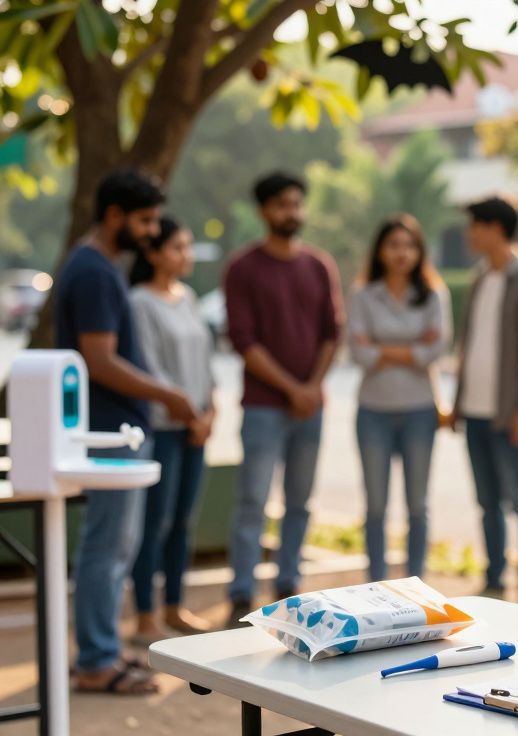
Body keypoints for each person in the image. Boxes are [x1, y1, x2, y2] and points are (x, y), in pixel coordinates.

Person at [55, 170, 200, 695]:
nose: (152, 231)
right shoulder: (95, 271)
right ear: (114, 214)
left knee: (115, 547)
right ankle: (96, 660)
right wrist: (169, 395)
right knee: (107, 547)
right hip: (109, 431)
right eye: (144, 220)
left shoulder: (97, 265)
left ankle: (102, 651)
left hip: (117, 427)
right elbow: (100, 360)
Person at [223, 172, 343, 626]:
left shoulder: (319, 265)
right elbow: (243, 340)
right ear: (263, 211)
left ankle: (289, 586)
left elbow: (333, 332)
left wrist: (311, 387)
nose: (291, 212)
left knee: (300, 502)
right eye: (281, 205)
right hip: (263, 407)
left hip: (311, 407)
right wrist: (294, 389)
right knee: (252, 502)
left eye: (296, 204)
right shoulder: (242, 268)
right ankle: (241, 593)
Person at [454, 196, 518, 606]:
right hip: (475, 412)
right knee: (487, 503)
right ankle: (494, 581)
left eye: (474, 225)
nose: (469, 234)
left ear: (494, 228)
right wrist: (457, 403)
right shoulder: (481, 277)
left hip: (510, 414)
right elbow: (470, 345)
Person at [127, 216, 216, 643]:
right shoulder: (139, 302)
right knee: (154, 523)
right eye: (177, 247)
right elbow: (149, 367)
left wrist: (209, 410)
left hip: (195, 427)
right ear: (153, 253)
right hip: (163, 428)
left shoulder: (189, 297)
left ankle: (174, 607)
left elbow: (206, 362)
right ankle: (145, 617)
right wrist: (188, 412)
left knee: (183, 521)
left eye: (188, 246)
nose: (186, 255)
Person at [347, 214, 451, 582]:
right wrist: (411, 347)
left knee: (417, 506)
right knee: (375, 506)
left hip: (420, 411)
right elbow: (359, 354)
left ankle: (415, 582)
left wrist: (381, 347)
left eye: (409, 246)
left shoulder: (433, 294)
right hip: (373, 411)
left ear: (420, 251)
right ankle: (375, 582)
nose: (401, 253)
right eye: (393, 245)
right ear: (380, 250)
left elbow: (435, 349)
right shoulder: (362, 295)